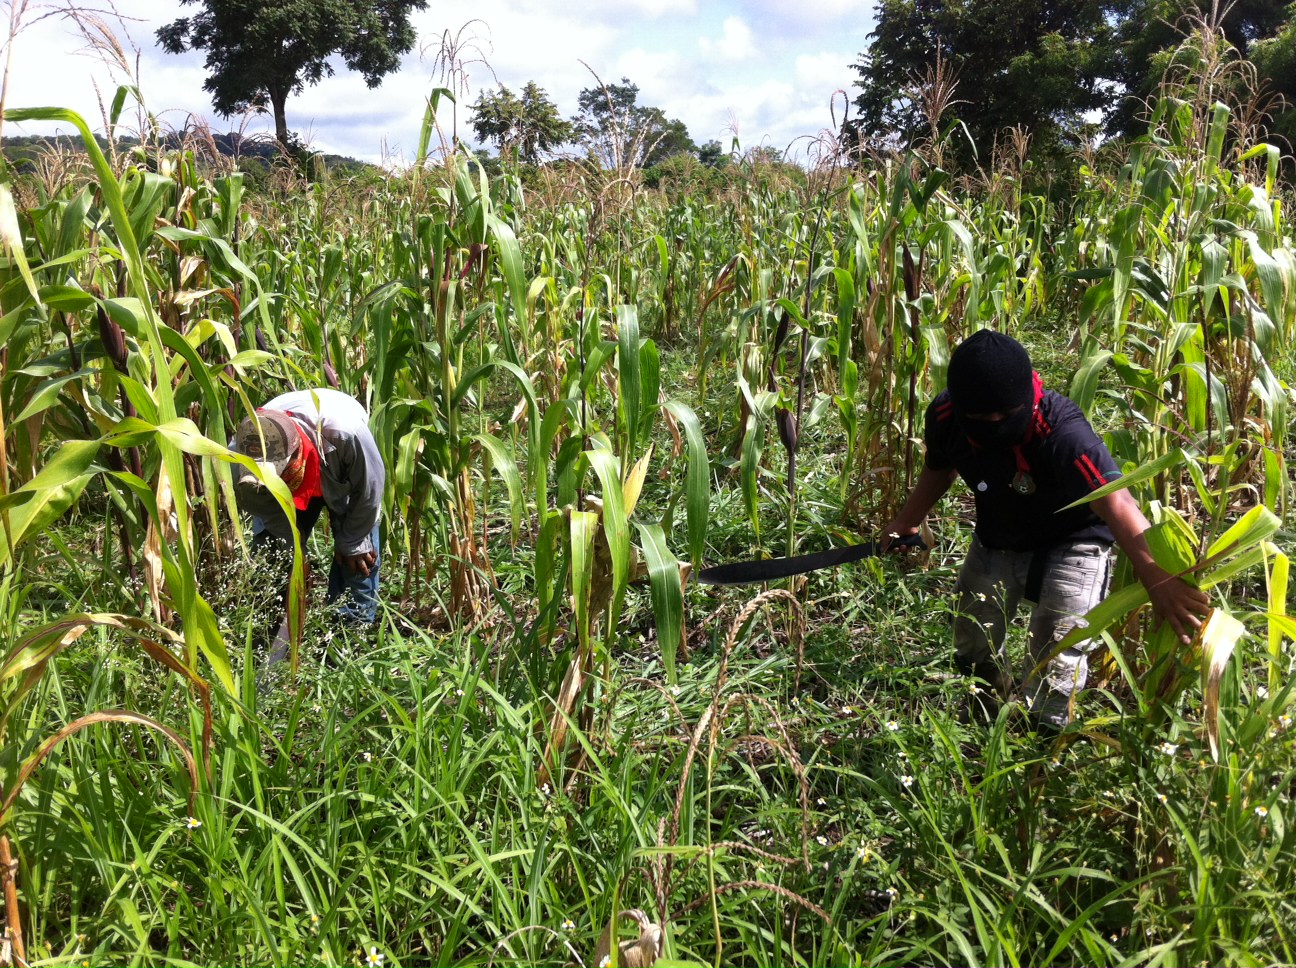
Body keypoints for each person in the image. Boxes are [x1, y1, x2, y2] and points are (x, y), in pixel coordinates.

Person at [880, 330, 1210, 731]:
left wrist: (1158, 579)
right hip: (998, 536)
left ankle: (1042, 745)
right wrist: (906, 521)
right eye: (981, 419)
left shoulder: (1063, 433)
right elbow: (940, 468)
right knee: (972, 641)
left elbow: (1117, 503)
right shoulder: (947, 417)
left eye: (1006, 415)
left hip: (1074, 541)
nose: (995, 425)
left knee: (1057, 653)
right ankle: (984, 719)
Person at [231, 388, 385, 652]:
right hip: (283, 498)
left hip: (337, 469)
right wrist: (295, 554)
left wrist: (351, 542)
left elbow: (368, 492)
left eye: (281, 473)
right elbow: (267, 513)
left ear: (296, 453)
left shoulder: (346, 433)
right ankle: (264, 648)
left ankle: (346, 650)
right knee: (273, 563)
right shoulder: (238, 458)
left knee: (358, 560)